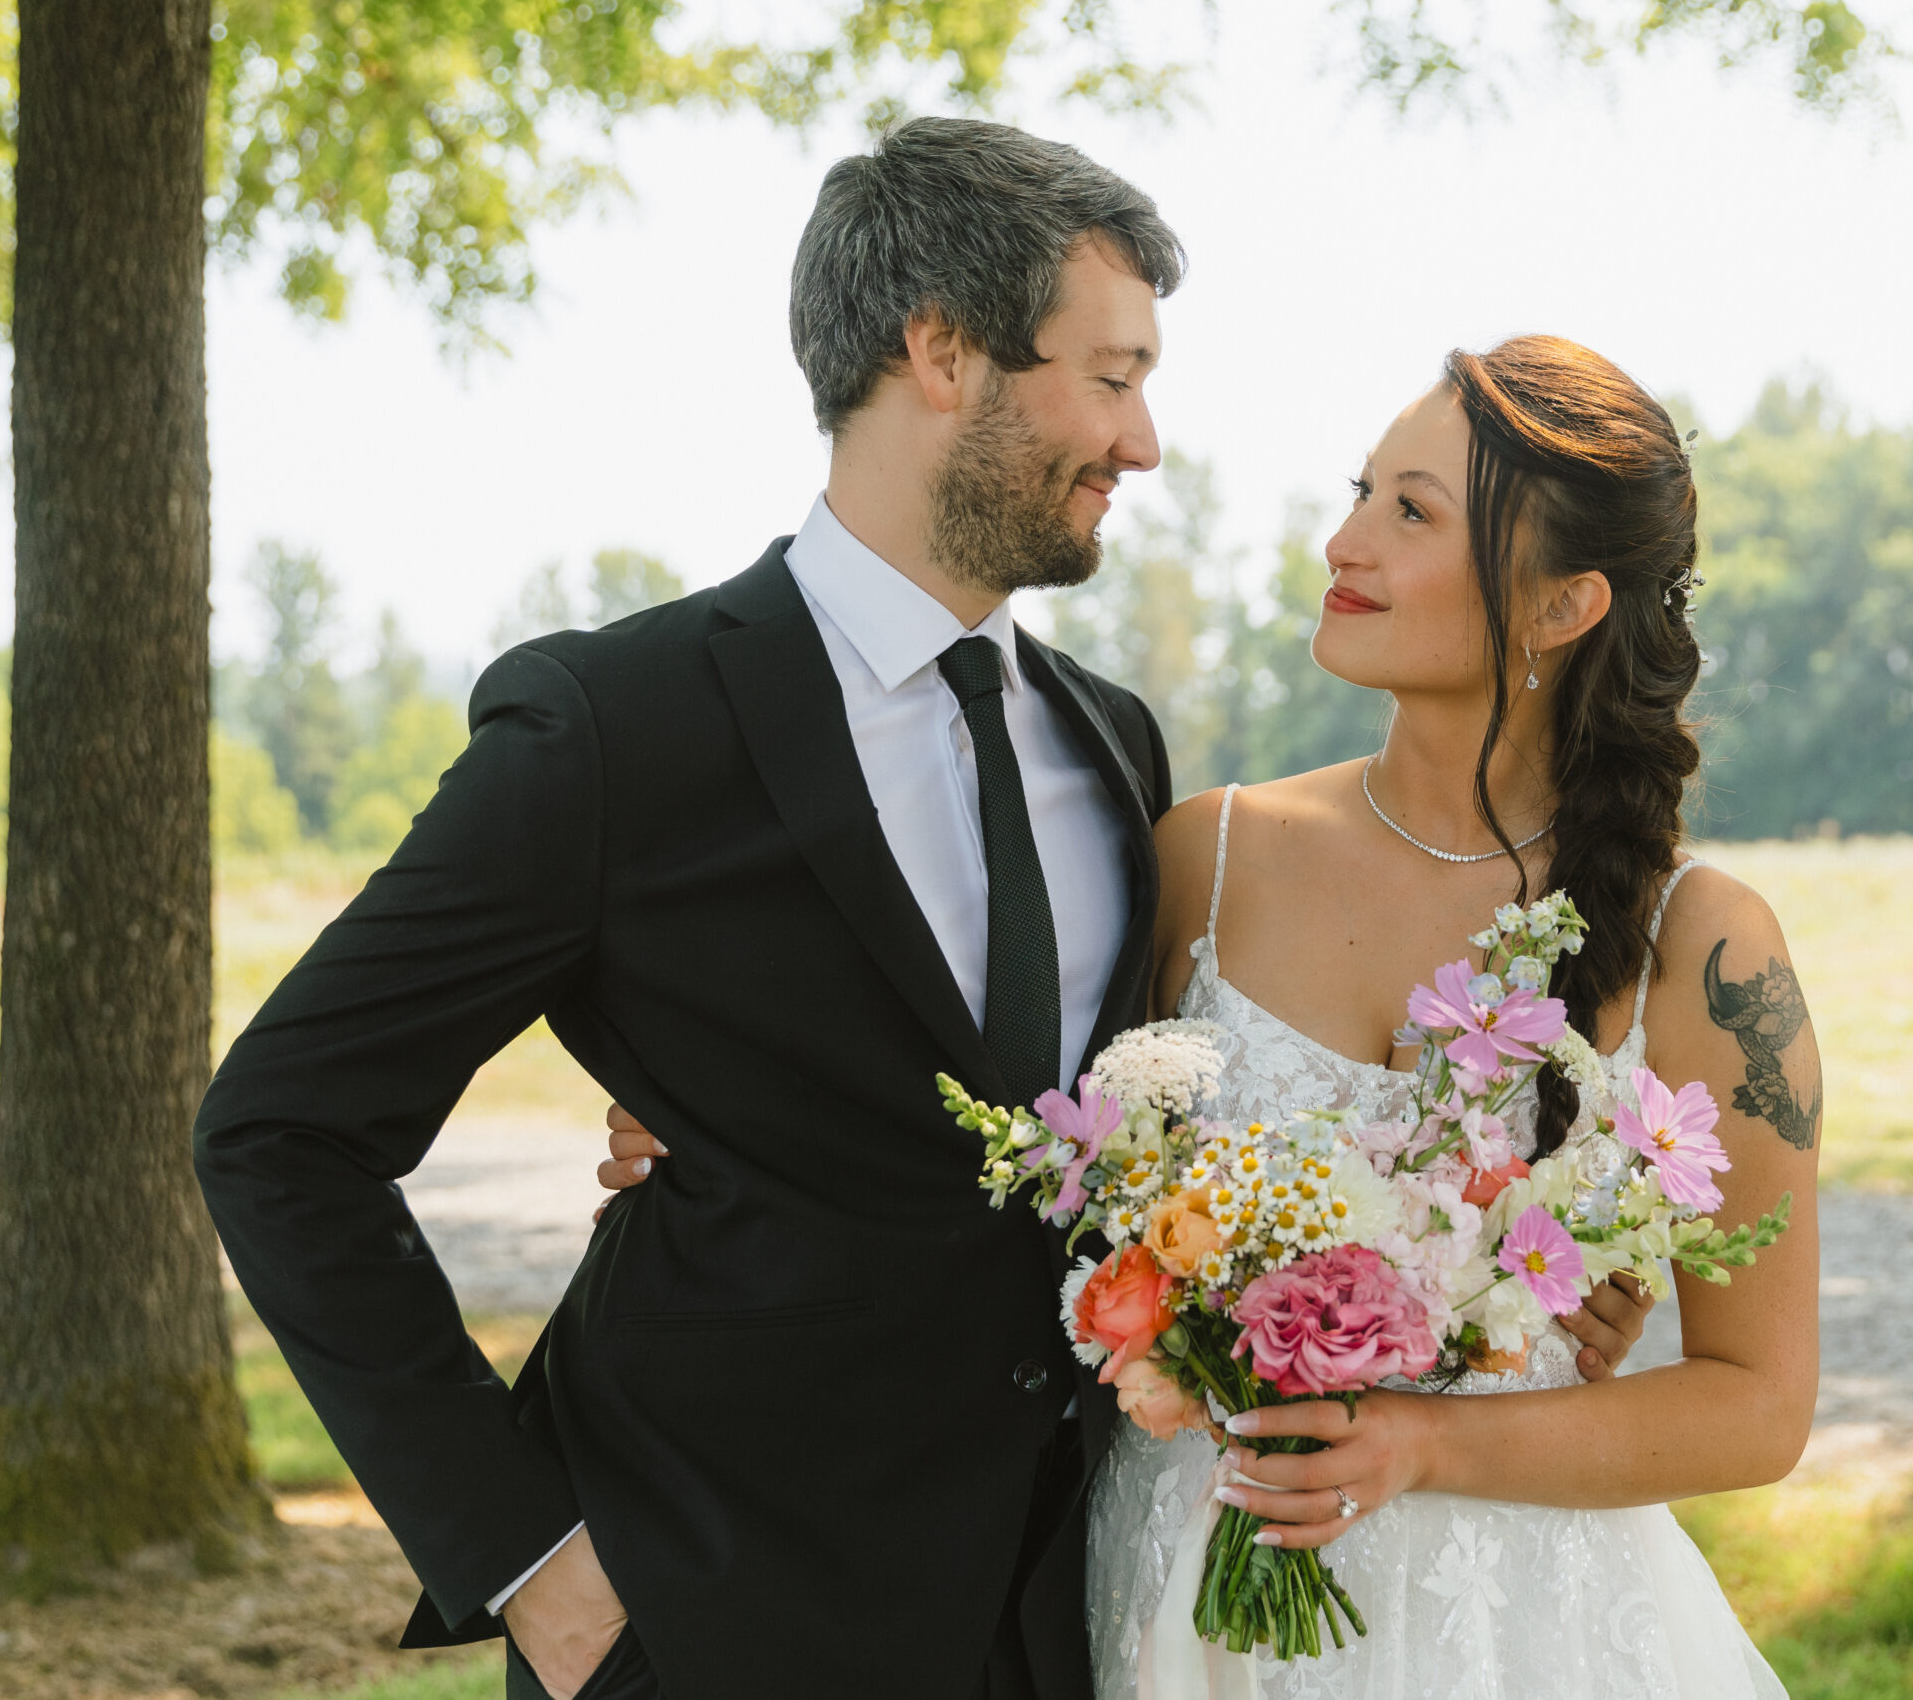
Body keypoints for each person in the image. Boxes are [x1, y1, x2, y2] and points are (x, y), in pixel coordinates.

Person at [602, 335, 1821, 1696]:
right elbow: (1025, 1128)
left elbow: (1759, 1405)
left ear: (1562, 605)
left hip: (1514, 1632)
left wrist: (1423, 1441)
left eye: (1410, 513)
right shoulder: (1208, 854)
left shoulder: (1702, 946)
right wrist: (729, 1100)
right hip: (1174, 1606)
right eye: (1361, 489)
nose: (1341, 539)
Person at [198, 118, 1220, 1700]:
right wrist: (531, 1563)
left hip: (1061, 1618)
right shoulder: (617, 728)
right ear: (941, 353)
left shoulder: (1115, 739)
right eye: (1112, 375)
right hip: (708, 1623)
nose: (1142, 441)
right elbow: (280, 1130)